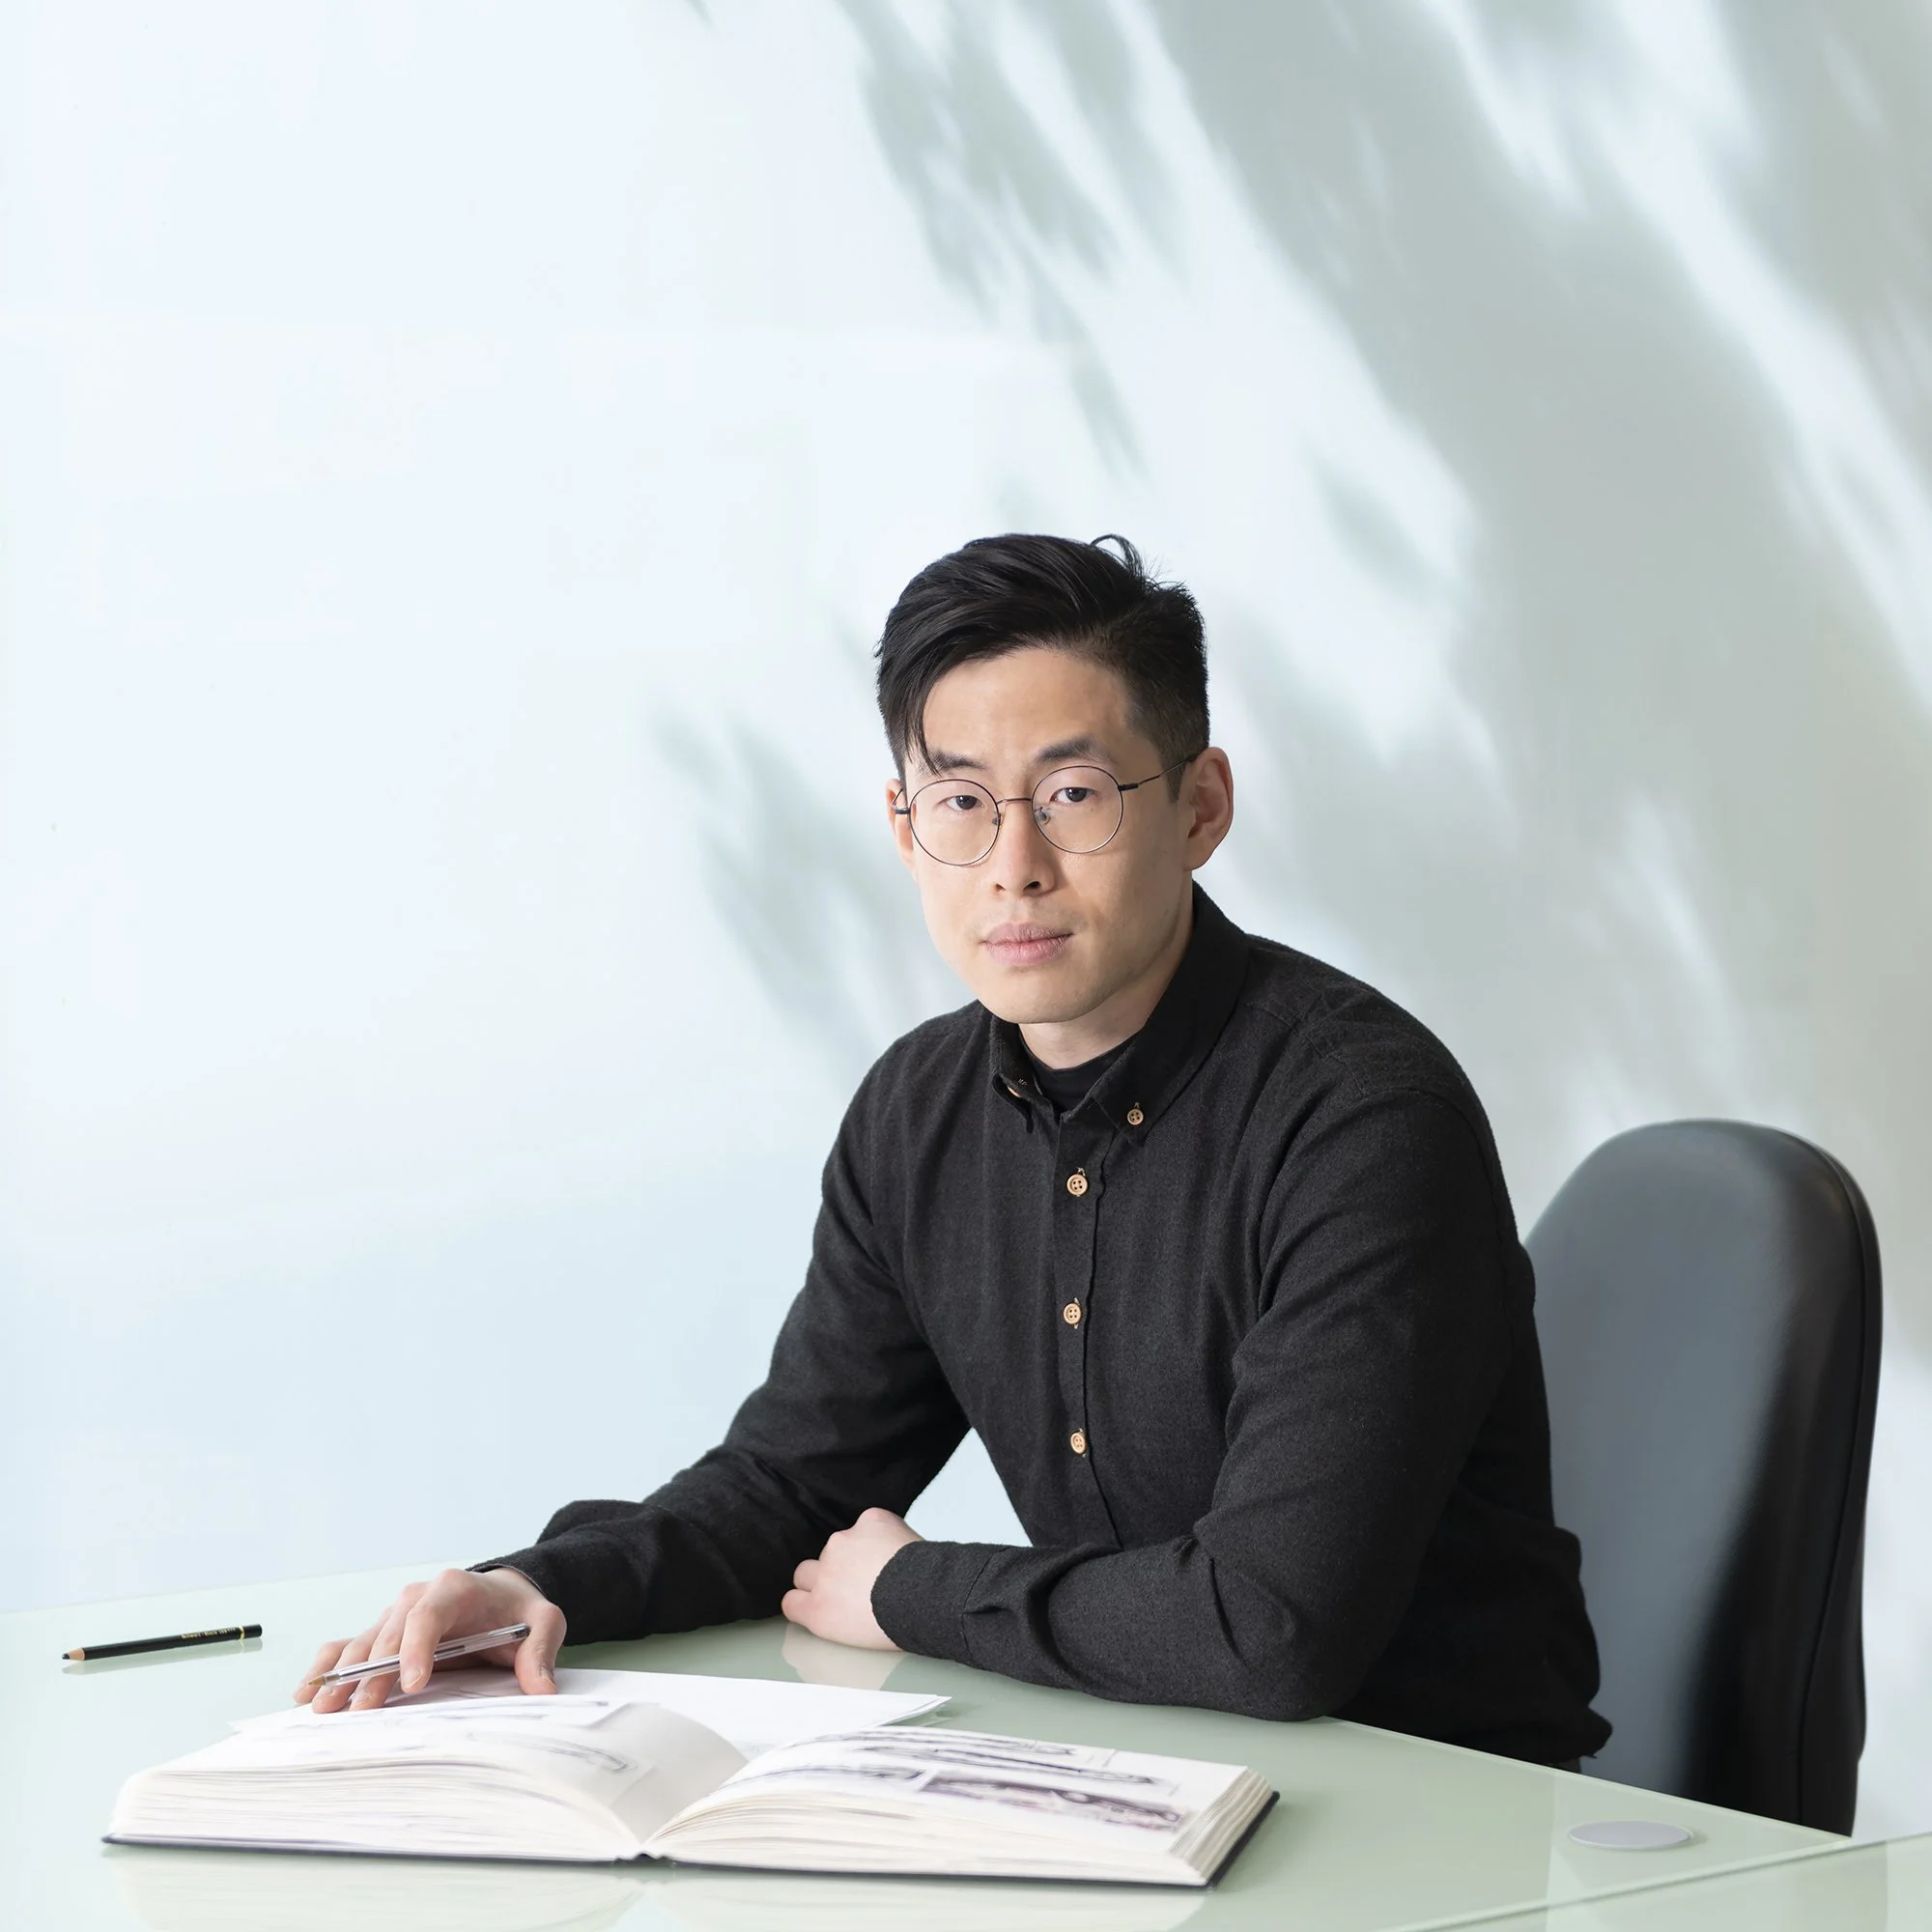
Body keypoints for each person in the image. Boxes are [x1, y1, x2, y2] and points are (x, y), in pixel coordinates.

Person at [299, 533, 1610, 1768]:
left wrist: (912, 1589)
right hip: (1148, 1779)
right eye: (962, 804)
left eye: (1075, 794)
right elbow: (793, 1484)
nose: (1014, 864)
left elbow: (1269, 1630)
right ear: (902, 826)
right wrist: (539, 1584)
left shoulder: (1360, 1119)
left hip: (1442, 1806)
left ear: (1201, 806)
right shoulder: (919, 1114)